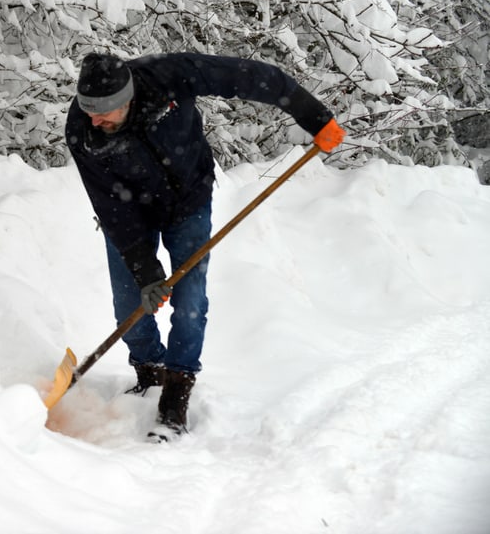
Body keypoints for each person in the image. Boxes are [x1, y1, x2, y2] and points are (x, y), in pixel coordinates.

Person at [64, 52, 345, 441]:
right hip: (130, 213)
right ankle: (149, 372)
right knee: (129, 302)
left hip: (188, 203)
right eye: (88, 110)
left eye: (104, 112)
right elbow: (111, 207)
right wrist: (147, 272)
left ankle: (176, 395)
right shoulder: (84, 131)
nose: (95, 119)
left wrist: (312, 115)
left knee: (190, 301)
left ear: (126, 98)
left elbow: (248, 75)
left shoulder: (169, 77)